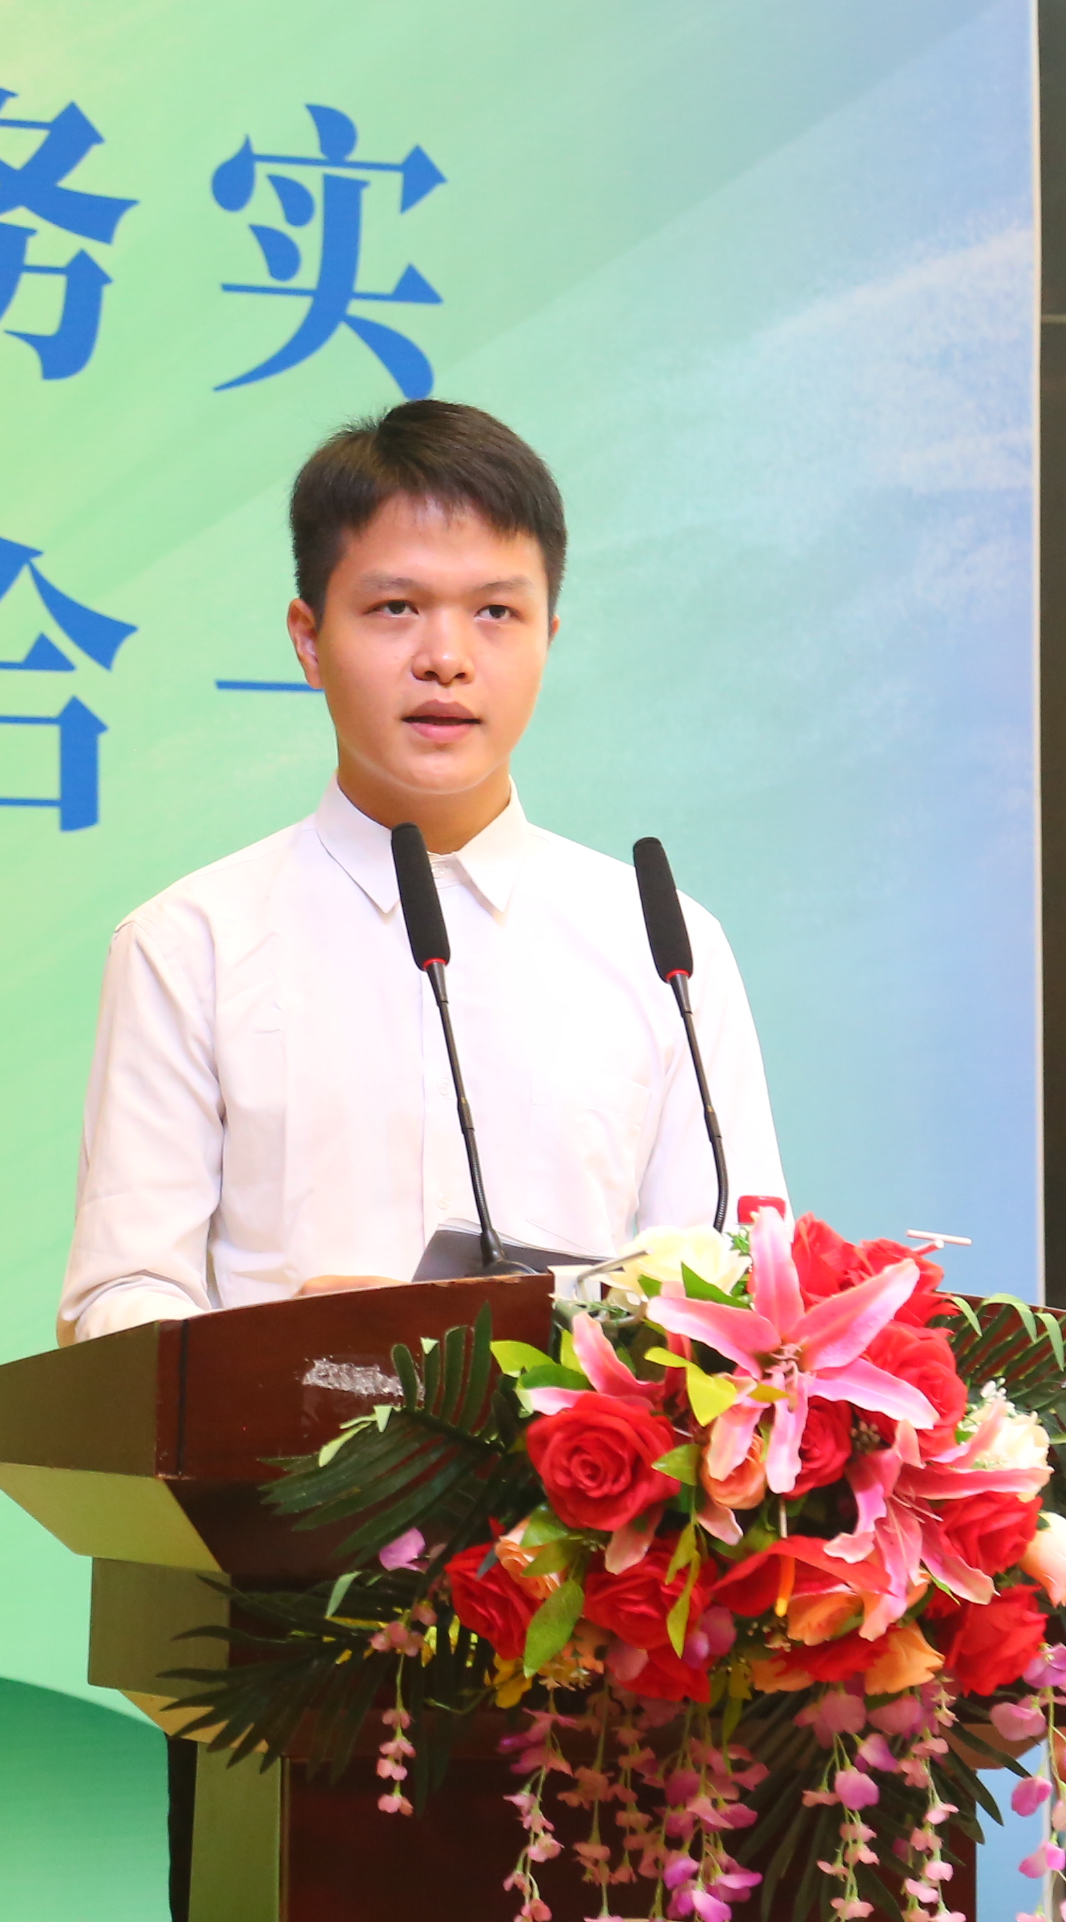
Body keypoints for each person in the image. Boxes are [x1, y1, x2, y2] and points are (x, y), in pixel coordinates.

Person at [58, 397, 786, 1343]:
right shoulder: (190, 943)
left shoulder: (665, 945)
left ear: (548, 638)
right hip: (282, 1443)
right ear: (309, 638)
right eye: (395, 608)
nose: (446, 659)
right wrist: (281, 1351)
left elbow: (740, 1292)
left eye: (496, 612)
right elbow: (118, 1296)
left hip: (579, 1446)